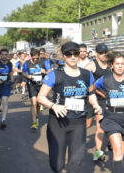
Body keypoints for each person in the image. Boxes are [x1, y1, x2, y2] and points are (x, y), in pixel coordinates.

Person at [37, 41, 101, 173]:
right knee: (57, 166)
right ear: (63, 56)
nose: (72, 57)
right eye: (69, 54)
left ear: (79, 54)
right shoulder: (55, 74)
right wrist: (54, 106)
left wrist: (95, 105)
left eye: (75, 53)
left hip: (78, 122)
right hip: (58, 123)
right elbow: (40, 97)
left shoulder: (86, 74)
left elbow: (91, 93)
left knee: (75, 163)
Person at [84, 43, 112, 161]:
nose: (104, 55)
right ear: (96, 54)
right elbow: (80, 77)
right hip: (91, 98)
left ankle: (98, 152)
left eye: (105, 52)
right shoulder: (91, 65)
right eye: (101, 53)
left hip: (103, 101)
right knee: (87, 125)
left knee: (100, 127)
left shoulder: (110, 66)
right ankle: (74, 137)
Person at [21, 48, 51, 129]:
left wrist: (44, 72)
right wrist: (27, 76)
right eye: (33, 58)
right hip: (31, 84)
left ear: (39, 56)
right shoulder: (27, 63)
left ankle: (36, 116)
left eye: (36, 58)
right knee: (33, 103)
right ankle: (34, 122)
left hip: (41, 85)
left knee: (38, 103)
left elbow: (50, 71)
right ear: (31, 56)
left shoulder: (44, 62)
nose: (35, 60)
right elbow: (23, 72)